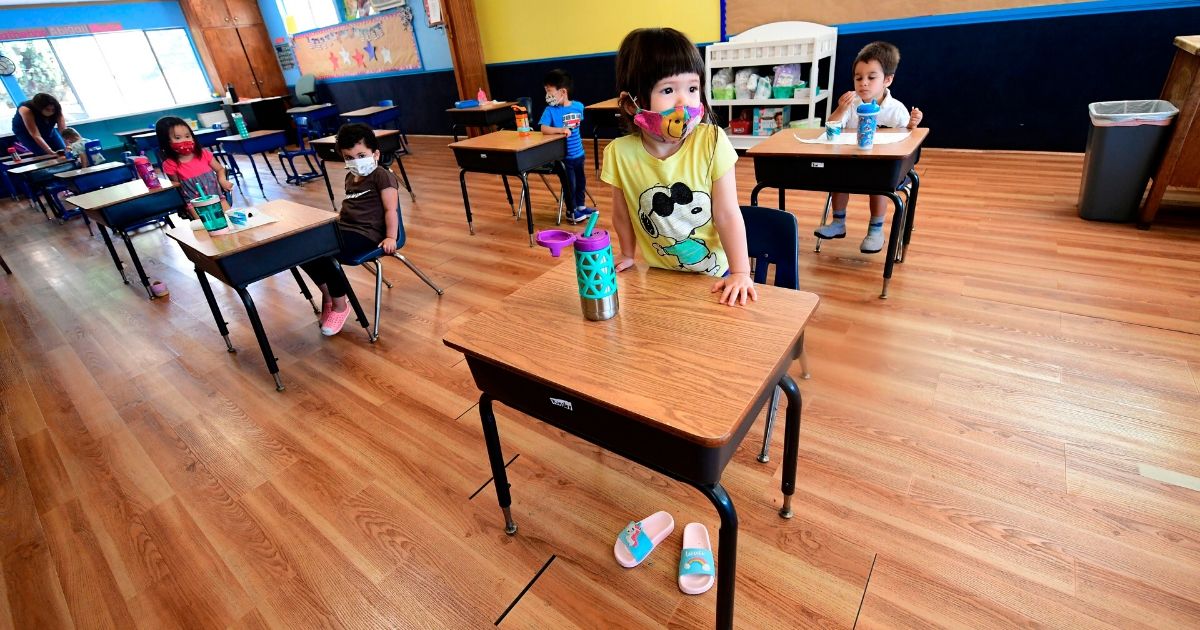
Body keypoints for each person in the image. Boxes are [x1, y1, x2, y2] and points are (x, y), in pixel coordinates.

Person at [600, 27, 756, 307]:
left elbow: (727, 214)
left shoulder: (712, 141)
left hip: (715, 277)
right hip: (660, 278)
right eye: (668, 90)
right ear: (631, 104)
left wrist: (741, 272)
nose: (684, 101)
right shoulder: (619, 154)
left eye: (693, 88)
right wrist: (626, 254)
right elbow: (621, 214)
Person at [815, 41, 924, 254]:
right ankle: (838, 223)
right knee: (837, 176)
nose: (863, 83)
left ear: (888, 80)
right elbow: (831, 129)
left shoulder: (895, 110)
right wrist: (839, 109)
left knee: (879, 182)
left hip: (881, 169)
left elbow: (907, 140)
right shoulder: (852, 105)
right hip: (852, 164)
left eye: (871, 78)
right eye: (858, 78)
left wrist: (911, 125)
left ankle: (875, 229)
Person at [299, 123, 401, 336]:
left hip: (367, 234)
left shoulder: (381, 175)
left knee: (326, 254)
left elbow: (391, 209)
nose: (356, 162)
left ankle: (340, 306)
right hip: (346, 228)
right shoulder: (350, 177)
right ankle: (328, 296)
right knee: (302, 250)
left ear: (376, 153)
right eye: (349, 158)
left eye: (361, 155)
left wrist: (392, 236)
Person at [539, 68, 594, 223]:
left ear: (563, 92)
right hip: (564, 157)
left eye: (550, 91)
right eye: (546, 91)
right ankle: (571, 211)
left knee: (581, 181)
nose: (547, 95)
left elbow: (577, 126)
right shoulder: (549, 110)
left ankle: (581, 206)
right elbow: (543, 128)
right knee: (570, 184)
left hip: (579, 154)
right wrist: (560, 130)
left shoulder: (579, 107)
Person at [156, 116, 233, 213]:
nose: (185, 140)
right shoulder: (170, 164)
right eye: (178, 138)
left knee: (229, 217)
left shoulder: (203, 154)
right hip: (194, 205)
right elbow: (178, 186)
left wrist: (222, 180)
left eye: (188, 136)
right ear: (166, 142)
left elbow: (220, 169)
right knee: (204, 226)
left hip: (217, 198)